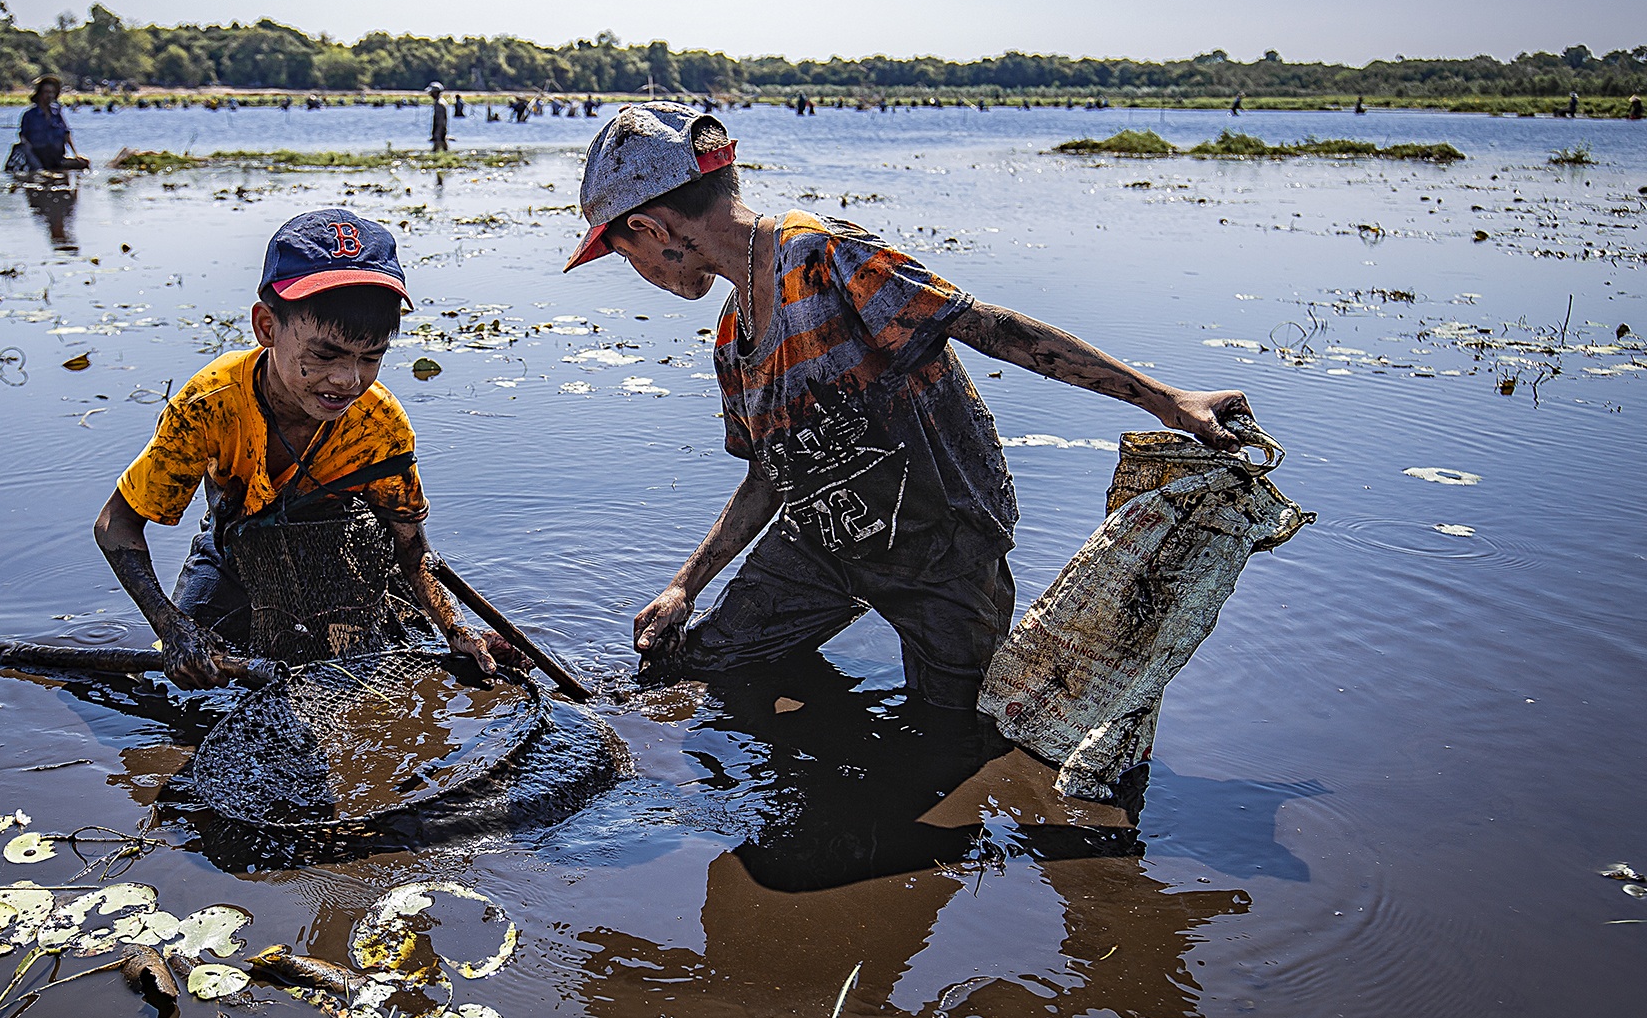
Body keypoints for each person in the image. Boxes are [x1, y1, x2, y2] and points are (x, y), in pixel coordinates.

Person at [563, 102, 1250, 710]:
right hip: (824, 546)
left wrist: (1167, 400)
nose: (640, 274)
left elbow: (990, 329)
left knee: (954, 736)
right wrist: (686, 585)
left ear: (652, 229)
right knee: (690, 670)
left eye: (625, 254)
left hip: (942, 548)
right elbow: (769, 476)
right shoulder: (732, 341)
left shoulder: (825, 258)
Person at [93, 209, 509, 690]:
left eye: (370, 357)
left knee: (373, 679)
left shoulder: (379, 425)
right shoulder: (211, 405)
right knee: (182, 676)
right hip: (238, 550)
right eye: (324, 355)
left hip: (338, 557)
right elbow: (115, 526)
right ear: (267, 327)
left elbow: (411, 545)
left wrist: (456, 629)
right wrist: (172, 627)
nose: (347, 380)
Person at [20, 75, 89, 171]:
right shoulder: (30, 115)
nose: (50, 95)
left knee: (84, 163)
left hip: (57, 158)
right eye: (46, 92)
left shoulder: (56, 113)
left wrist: (76, 154)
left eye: (52, 92)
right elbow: (23, 139)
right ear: (39, 94)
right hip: (38, 159)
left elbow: (66, 134)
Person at [428, 81, 450, 152]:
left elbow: (440, 121)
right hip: (441, 131)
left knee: (437, 151)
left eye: (431, 92)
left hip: (439, 132)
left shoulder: (439, 104)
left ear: (435, 92)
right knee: (443, 150)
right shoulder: (441, 102)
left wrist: (437, 134)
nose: (430, 94)